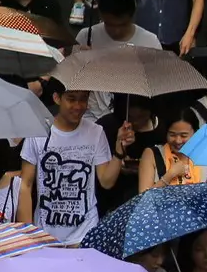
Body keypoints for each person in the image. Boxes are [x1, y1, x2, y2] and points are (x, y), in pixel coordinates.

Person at [20, 85, 133, 248]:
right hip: (45, 236)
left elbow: (106, 181)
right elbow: (25, 185)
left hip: (85, 235)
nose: (78, 106)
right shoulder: (39, 132)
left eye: (83, 99)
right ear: (57, 98)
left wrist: (118, 151)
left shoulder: (96, 132)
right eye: (71, 99)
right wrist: (28, 237)